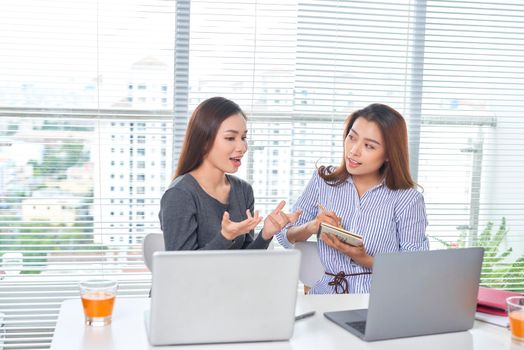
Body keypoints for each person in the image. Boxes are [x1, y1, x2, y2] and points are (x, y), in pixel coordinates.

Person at [276, 103, 429, 294]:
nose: (354, 151)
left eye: (369, 146)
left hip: (378, 299)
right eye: (352, 137)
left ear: (389, 154)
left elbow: (414, 267)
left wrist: (363, 257)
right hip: (325, 295)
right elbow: (284, 236)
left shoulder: (408, 199)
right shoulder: (323, 181)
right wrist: (312, 226)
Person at [159, 96, 301, 251]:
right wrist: (225, 237)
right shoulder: (180, 194)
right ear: (204, 141)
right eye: (230, 138)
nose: (243, 147)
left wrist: (265, 235)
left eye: (243, 137)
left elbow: (245, 262)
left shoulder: (243, 191)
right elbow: (181, 268)